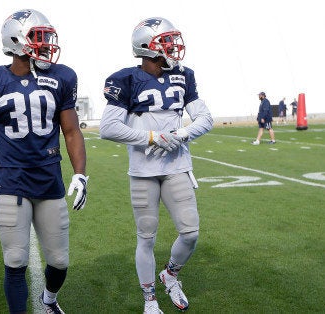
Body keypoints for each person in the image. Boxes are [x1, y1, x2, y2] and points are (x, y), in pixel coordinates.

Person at [0, 9, 88, 314]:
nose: (46, 44)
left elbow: (71, 131)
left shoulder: (62, 77)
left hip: (50, 181)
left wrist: (80, 174)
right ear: (16, 40)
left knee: (59, 261)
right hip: (12, 183)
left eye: (46, 37)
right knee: (15, 260)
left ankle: (49, 299)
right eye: (38, 37)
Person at [99, 17, 213, 313]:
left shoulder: (183, 75)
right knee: (146, 238)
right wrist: (151, 137)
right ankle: (149, 299)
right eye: (166, 42)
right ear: (147, 48)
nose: (173, 47)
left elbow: (205, 119)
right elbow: (109, 128)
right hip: (143, 173)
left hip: (177, 167)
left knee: (190, 233)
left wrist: (181, 133)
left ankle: (170, 275)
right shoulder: (125, 79)